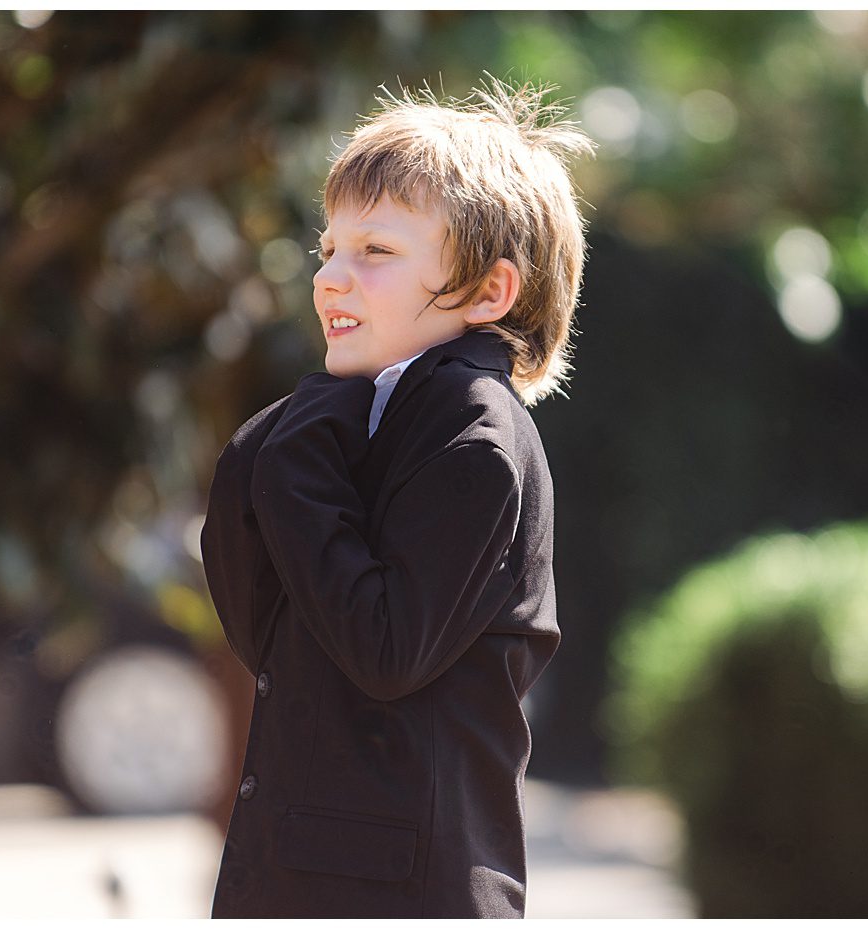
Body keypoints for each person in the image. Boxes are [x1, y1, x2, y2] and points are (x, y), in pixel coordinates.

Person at [201, 80, 593, 918]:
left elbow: (384, 649)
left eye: (374, 252)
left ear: (489, 293)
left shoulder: (474, 436)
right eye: (328, 249)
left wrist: (302, 441)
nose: (331, 280)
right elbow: (267, 635)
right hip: (295, 876)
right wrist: (270, 451)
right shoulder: (363, 415)